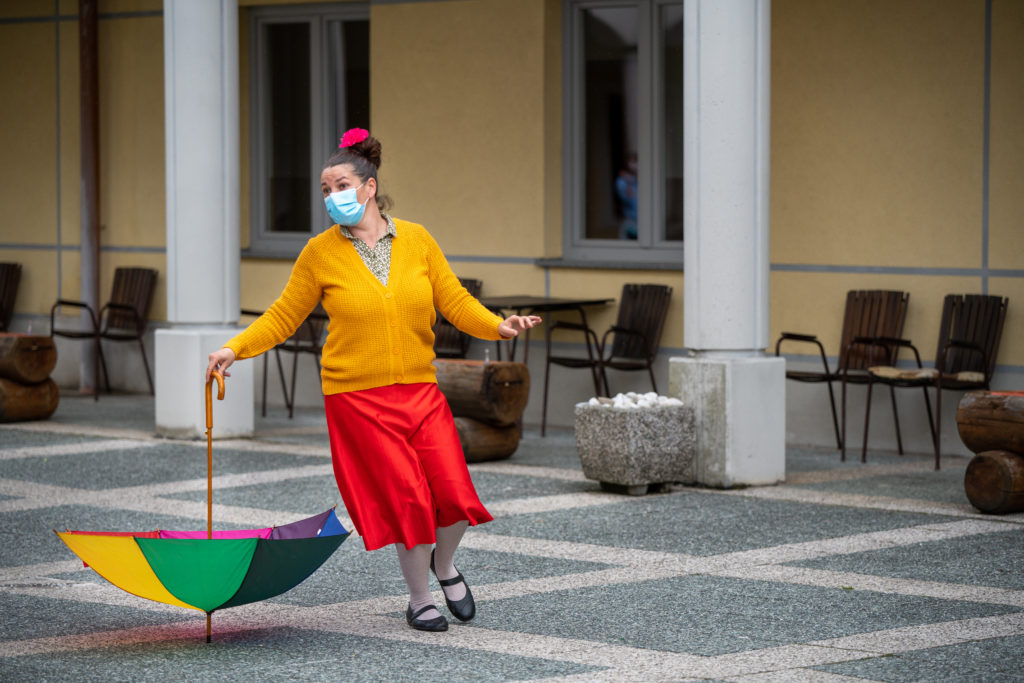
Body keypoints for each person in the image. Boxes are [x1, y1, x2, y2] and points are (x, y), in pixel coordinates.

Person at [205, 128, 540, 632]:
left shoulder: (417, 240)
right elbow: (282, 316)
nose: (332, 197)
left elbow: (454, 300)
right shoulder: (319, 253)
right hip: (358, 399)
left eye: (341, 185)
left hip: (420, 390)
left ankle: (445, 564)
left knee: (454, 493)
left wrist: (498, 325)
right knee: (408, 498)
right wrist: (235, 348)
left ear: (369, 187)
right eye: (325, 190)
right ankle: (420, 599)